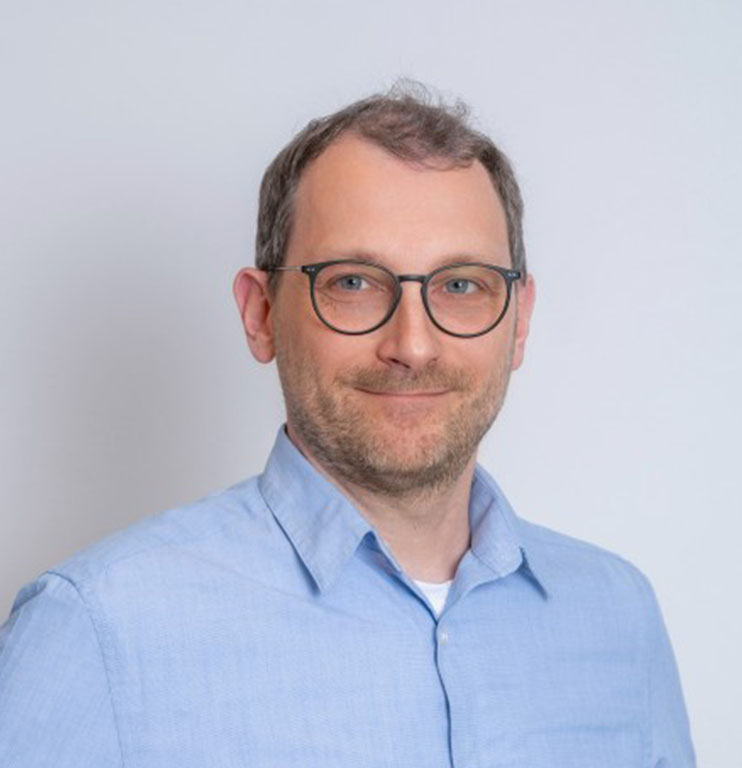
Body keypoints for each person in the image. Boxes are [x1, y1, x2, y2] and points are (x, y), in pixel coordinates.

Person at [0, 83, 696, 767]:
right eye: (354, 282)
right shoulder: (95, 631)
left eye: (461, 285)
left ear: (518, 322)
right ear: (261, 314)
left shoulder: (618, 618)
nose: (413, 346)